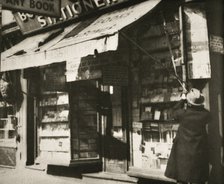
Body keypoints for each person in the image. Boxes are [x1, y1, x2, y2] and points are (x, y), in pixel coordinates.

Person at [165, 88, 210, 184]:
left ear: (189, 103)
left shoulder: (183, 114)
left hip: (182, 152)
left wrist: (182, 100)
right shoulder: (205, 115)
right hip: (198, 151)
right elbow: (207, 113)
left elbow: (171, 112)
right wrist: (197, 105)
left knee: (181, 178)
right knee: (198, 179)